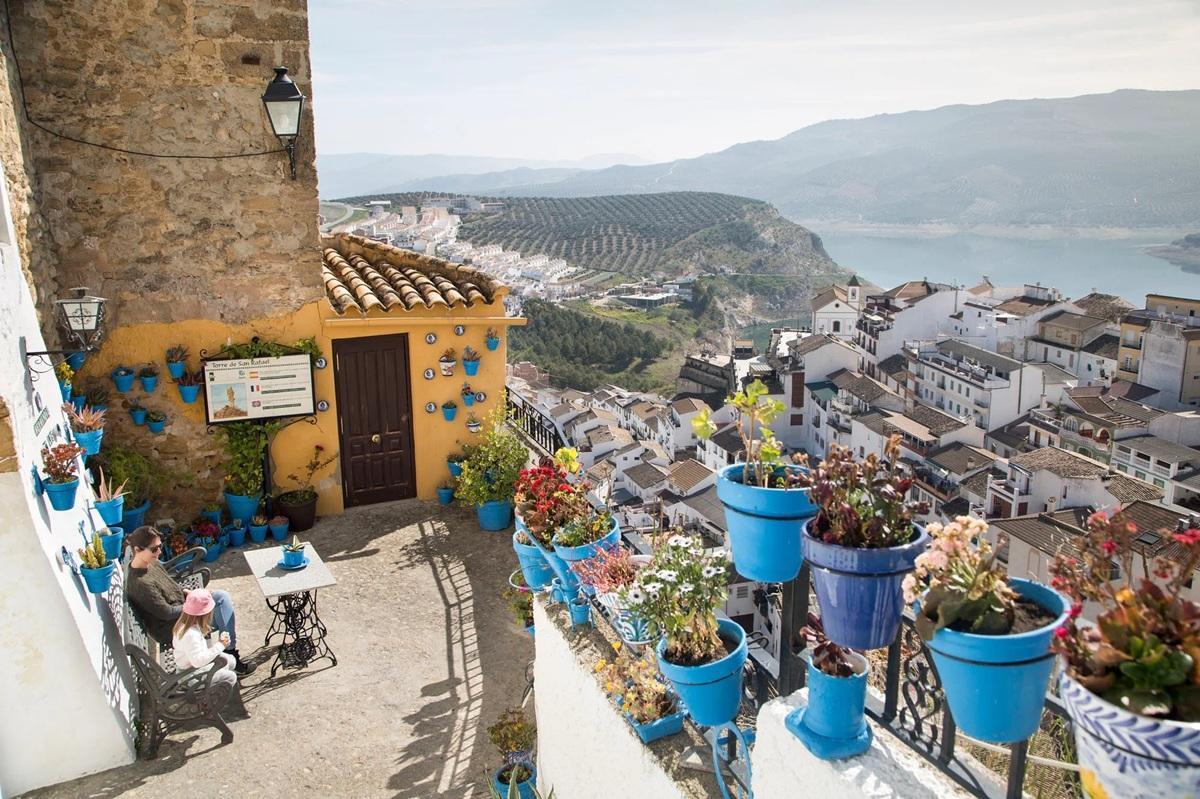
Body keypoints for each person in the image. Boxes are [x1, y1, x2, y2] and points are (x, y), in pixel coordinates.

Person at [125, 525, 255, 676]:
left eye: (160, 547)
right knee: (220, 603)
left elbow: (170, 585)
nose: (159, 552)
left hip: (182, 614)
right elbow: (166, 612)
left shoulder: (149, 563)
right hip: (174, 628)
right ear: (137, 550)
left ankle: (229, 651)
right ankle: (230, 654)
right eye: (154, 549)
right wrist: (195, 602)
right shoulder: (141, 583)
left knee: (220, 596)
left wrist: (192, 593)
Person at [172, 588, 238, 687]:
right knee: (231, 677)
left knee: (231, 660)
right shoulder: (191, 635)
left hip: (190, 667)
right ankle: (209, 697)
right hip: (191, 676)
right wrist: (220, 645)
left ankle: (216, 678)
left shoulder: (182, 625)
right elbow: (198, 661)